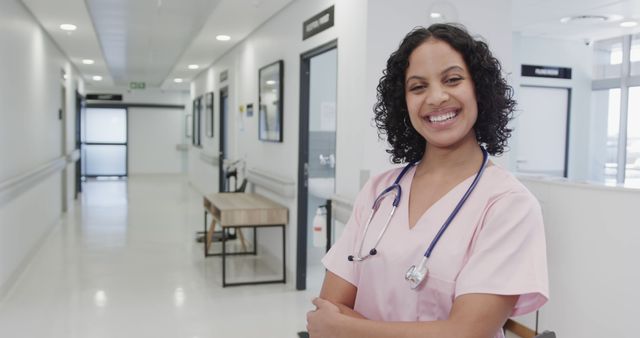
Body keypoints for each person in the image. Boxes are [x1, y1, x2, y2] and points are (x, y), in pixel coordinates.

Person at [306, 23, 549, 338]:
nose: (436, 97)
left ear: (480, 88)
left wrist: (349, 330)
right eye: (418, 87)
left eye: (452, 79)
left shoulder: (510, 205)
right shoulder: (380, 191)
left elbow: (467, 332)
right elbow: (330, 308)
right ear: (403, 103)